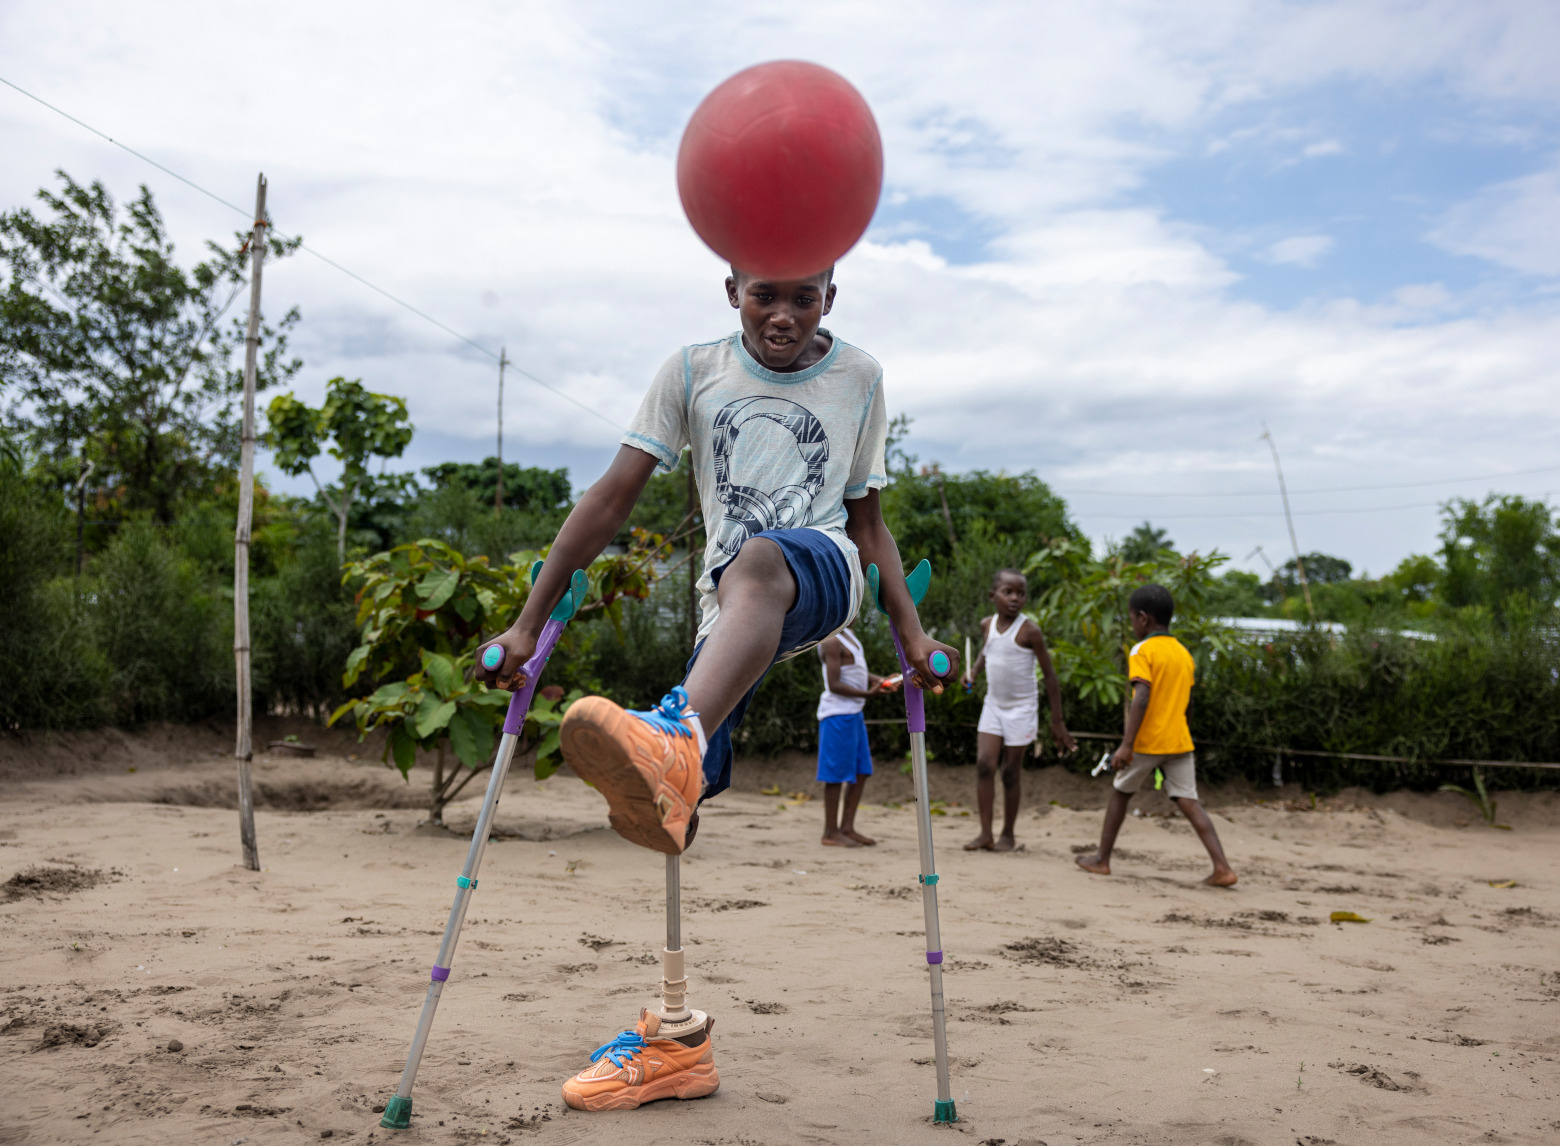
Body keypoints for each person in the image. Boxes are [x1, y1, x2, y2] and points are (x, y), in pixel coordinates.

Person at [473, 263, 958, 1112]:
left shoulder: (860, 376)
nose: (783, 315)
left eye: (804, 298)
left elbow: (869, 520)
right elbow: (612, 496)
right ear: (730, 287)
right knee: (673, 815)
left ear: (830, 301)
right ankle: (677, 1044)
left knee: (764, 558)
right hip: (726, 607)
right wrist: (524, 622)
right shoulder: (692, 370)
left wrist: (911, 634)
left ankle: (675, 737)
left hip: (818, 570)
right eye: (765, 294)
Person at [1075, 584, 1237, 887]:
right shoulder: (1183, 654)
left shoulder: (1143, 650)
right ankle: (1222, 867)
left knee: (1120, 793)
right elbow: (1188, 703)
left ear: (1143, 618)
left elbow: (1142, 698)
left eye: (1132, 619)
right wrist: (1184, 731)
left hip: (1148, 741)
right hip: (1179, 741)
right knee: (1189, 801)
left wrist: (1127, 745)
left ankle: (1102, 859)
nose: (1133, 624)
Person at [960, 568, 1075, 851]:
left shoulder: (1029, 630)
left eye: (1020, 593)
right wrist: (973, 672)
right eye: (1008, 592)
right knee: (984, 765)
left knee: (1010, 772)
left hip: (1022, 709)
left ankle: (1008, 835)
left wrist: (1057, 722)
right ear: (993, 596)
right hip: (994, 705)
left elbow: (1049, 676)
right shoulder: (987, 625)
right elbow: (985, 654)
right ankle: (985, 833)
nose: (1015, 598)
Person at [815, 623, 895, 847]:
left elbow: (856, 670)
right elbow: (834, 685)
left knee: (861, 771)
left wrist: (880, 680)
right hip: (837, 715)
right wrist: (868, 695)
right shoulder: (831, 639)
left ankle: (847, 827)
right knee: (835, 775)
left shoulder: (849, 635)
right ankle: (830, 832)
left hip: (854, 714)